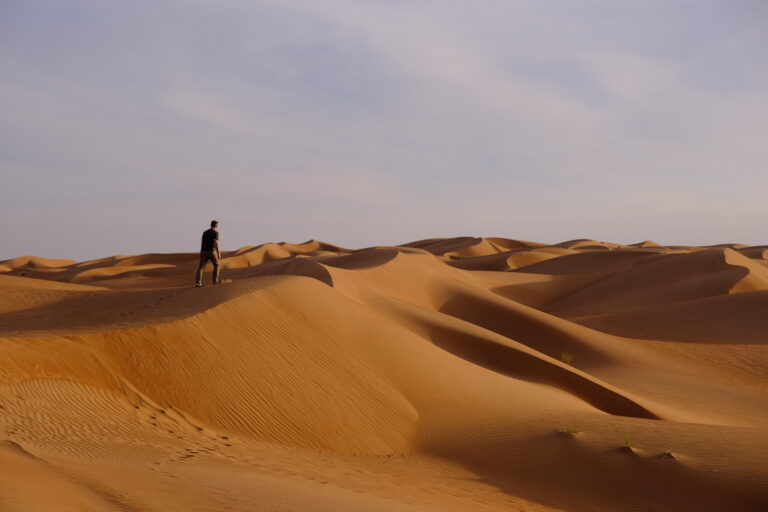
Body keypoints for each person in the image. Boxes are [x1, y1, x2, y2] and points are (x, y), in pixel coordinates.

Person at [195, 220, 221, 287]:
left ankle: (198, 282)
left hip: (203, 251)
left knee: (201, 267)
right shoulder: (215, 232)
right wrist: (218, 252)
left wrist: (201, 251)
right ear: (216, 225)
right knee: (217, 265)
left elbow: (202, 241)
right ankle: (215, 281)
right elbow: (216, 243)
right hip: (211, 251)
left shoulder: (205, 232)